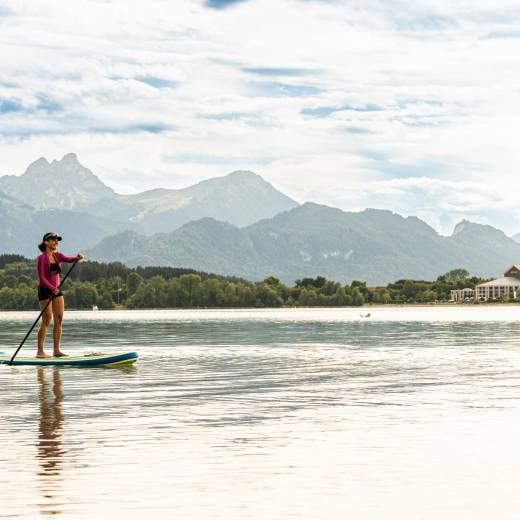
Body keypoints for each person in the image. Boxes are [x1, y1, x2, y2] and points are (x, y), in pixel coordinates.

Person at [36, 232, 84, 358]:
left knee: (59, 319)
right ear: (46, 242)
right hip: (45, 289)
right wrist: (52, 288)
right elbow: (41, 278)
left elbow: (69, 259)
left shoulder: (58, 256)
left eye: (57, 240)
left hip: (56, 290)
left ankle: (56, 350)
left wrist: (77, 258)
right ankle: (40, 352)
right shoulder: (41, 258)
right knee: (46, 320)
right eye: (53, 240)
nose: (56, 242)